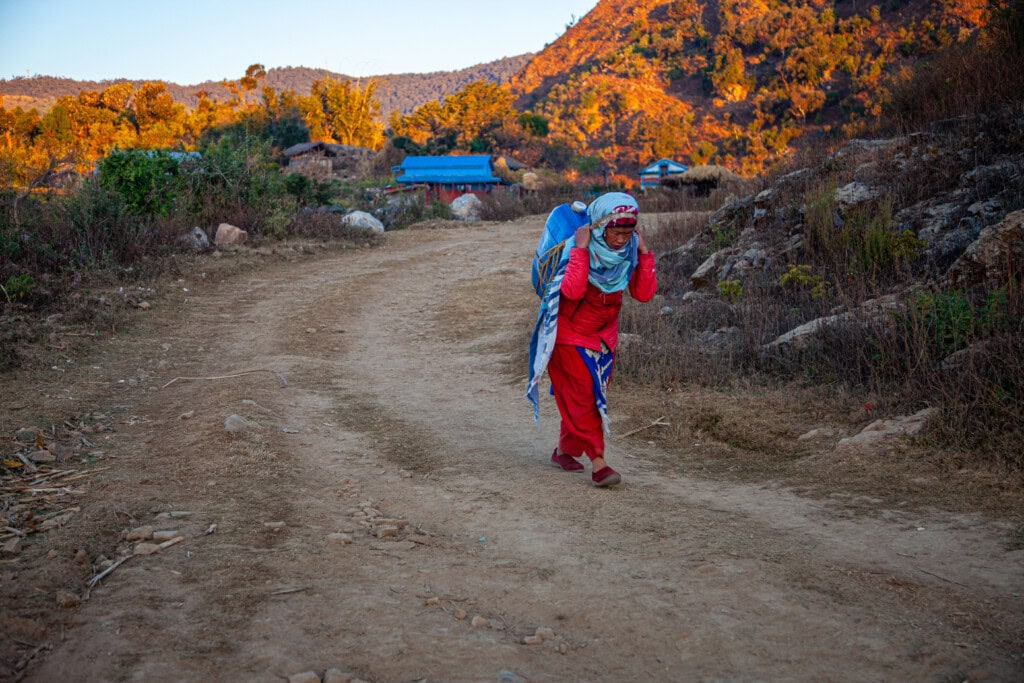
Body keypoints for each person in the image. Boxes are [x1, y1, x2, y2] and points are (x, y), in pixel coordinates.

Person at [526, 192, 657, 487]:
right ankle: (599, 464)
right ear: (600, 226)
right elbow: (571, 292)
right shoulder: (579, 247)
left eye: (627, 233)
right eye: (616, 232)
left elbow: (644, 294)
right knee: (585, 400)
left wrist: (645, 253)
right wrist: (581, 250)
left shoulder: (628, 253)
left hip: (604, 340)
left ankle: (564, 452)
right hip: (567, 336)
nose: (621, 240)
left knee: (586, 399)